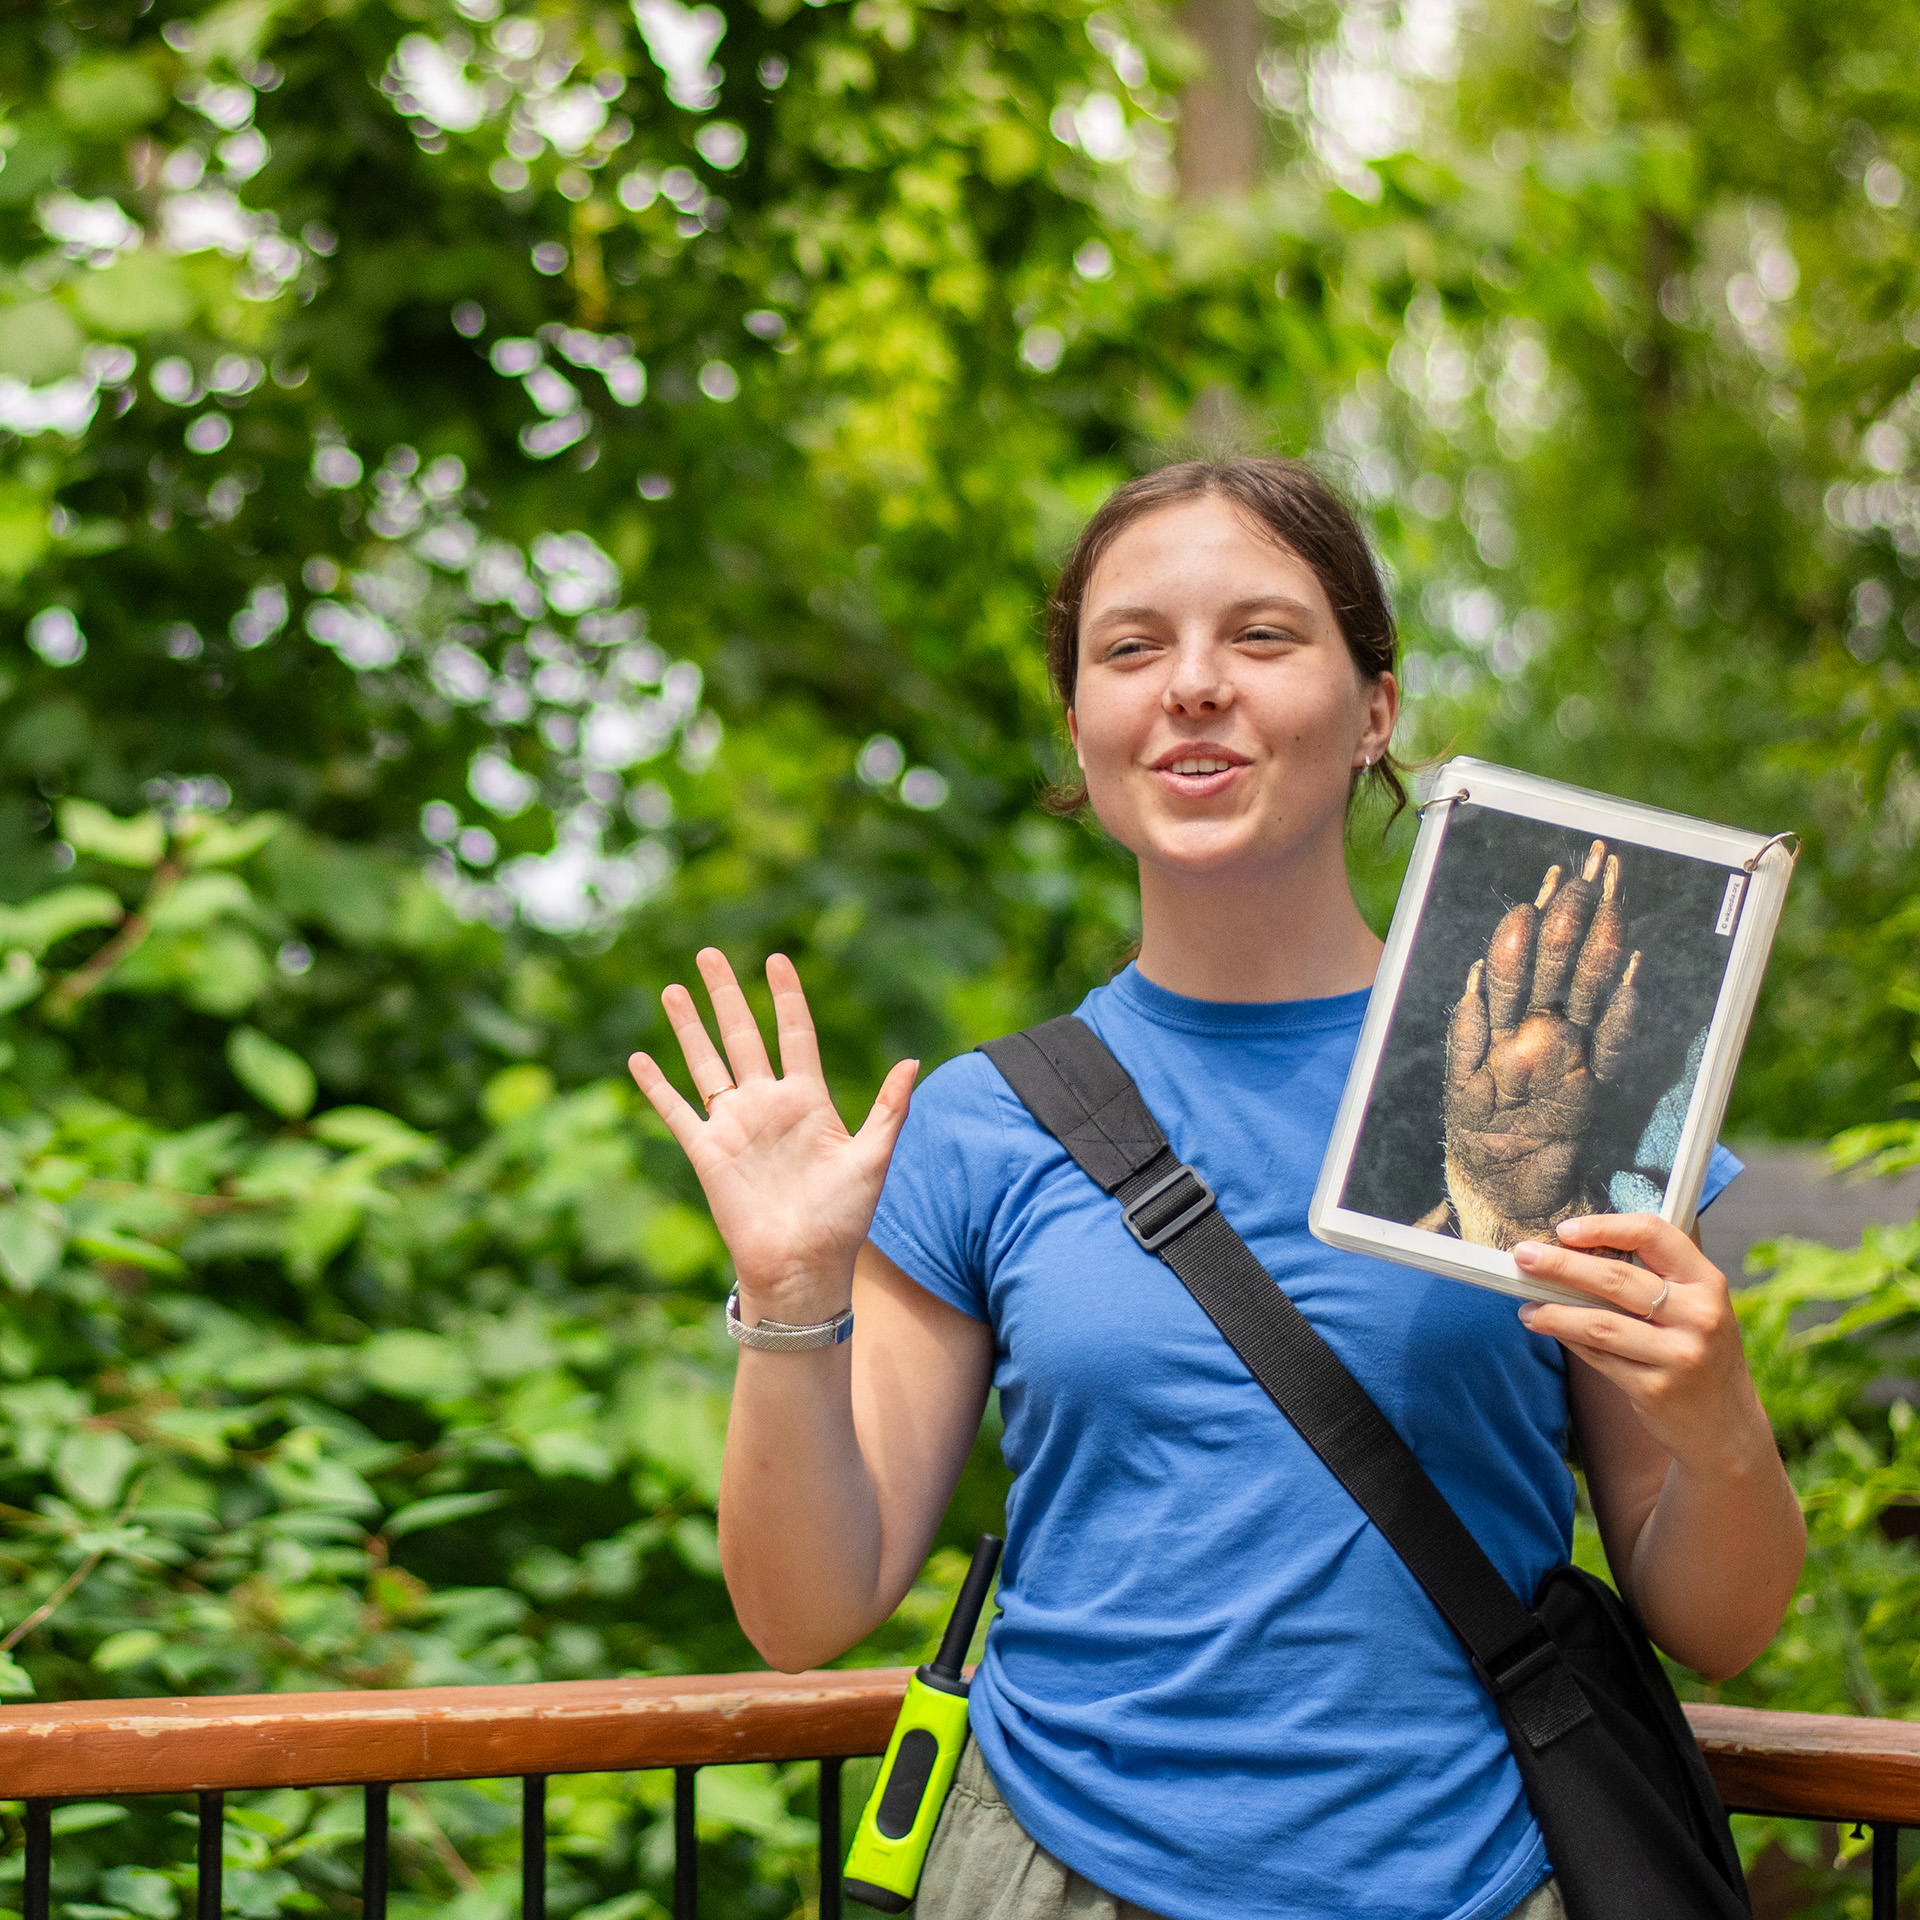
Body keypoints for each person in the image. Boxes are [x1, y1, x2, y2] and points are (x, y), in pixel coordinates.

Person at [627, 457, 1807, 1920]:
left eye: (1261, 635)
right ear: (1081, 724)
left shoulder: (1576, 1082)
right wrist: (793, 1300)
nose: (1192, 685)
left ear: (1377, 706)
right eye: (1131, 648)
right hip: (1059, 1875)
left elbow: (1722, 1624)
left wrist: (1721, 1424)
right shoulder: (981, 1128)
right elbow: (803, 1611)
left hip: (1480, 1886)